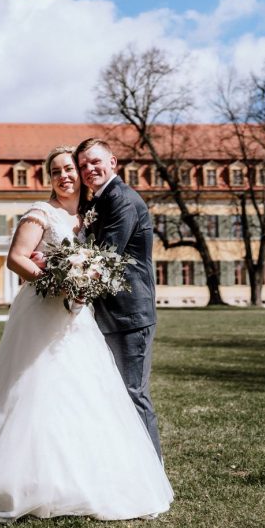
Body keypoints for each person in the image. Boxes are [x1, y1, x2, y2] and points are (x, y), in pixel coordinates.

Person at [0, 145, 172, 522]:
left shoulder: (87, 215)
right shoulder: (42, 212)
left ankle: (89, 474)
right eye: (58, 171)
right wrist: (54, 279)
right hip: (45, 310)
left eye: (72, 168)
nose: (66, 175)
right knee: (36, 387)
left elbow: (101, 259)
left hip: (81, 315)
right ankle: (25, 476)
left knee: (86, 392)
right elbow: (16, 257)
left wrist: (70, 280)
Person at [73, 138, 162, 459]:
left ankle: (153, 469)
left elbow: (105, 256)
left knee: (133, 392)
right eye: (83, 165)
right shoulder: (100, 200)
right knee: (113, 393)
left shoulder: (122, 199)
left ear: (113, 162)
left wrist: (66, 281)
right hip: (109, 313)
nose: (88, 169)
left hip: (129, 314)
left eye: (94, 162)